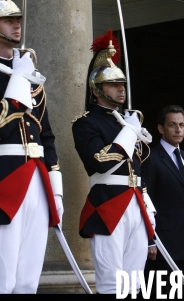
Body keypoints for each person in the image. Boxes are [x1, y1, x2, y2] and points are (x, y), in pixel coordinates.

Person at [0, 0, 63, 294]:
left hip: (37, 179)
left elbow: (45, 133)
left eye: (18, 19)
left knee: (28, 283)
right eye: (8, 19)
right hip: (2, 181)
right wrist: (18, 78)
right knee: (3, 283)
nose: (17, 25)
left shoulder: (27, 76)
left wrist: (56, 188)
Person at [72, 30, 156, 298]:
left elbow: (139, 165)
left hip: (135, 203)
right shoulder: (86, 123)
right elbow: (100, 161)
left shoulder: (126, 121)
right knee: (111, 284)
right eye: (113, 84)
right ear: (97, 89)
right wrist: (130, 132)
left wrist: (147, 207)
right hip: (109, 204)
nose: (121, 88)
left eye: (122, 83)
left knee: (133, 285)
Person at [142, 105, 184, 291]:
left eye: (182, 125)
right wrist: (149, 240)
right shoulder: (150, 159)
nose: (178, 130)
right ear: (161, 128)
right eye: (172, 125)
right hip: (162, 247)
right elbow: (145, 202)